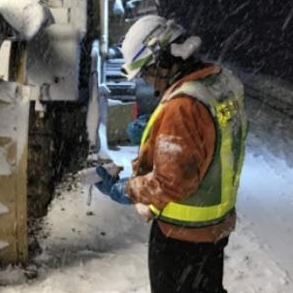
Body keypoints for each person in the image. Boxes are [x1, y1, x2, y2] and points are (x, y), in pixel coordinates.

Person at [95, 15, 248, 293]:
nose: (149, 82)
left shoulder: (184, 106)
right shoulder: (221, 83)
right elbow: (208, 140)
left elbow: (171, 183)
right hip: (213, 228)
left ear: (164, 59)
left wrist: (126, 189)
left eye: (147, 72)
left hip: (182, 237)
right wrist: (157, 134)